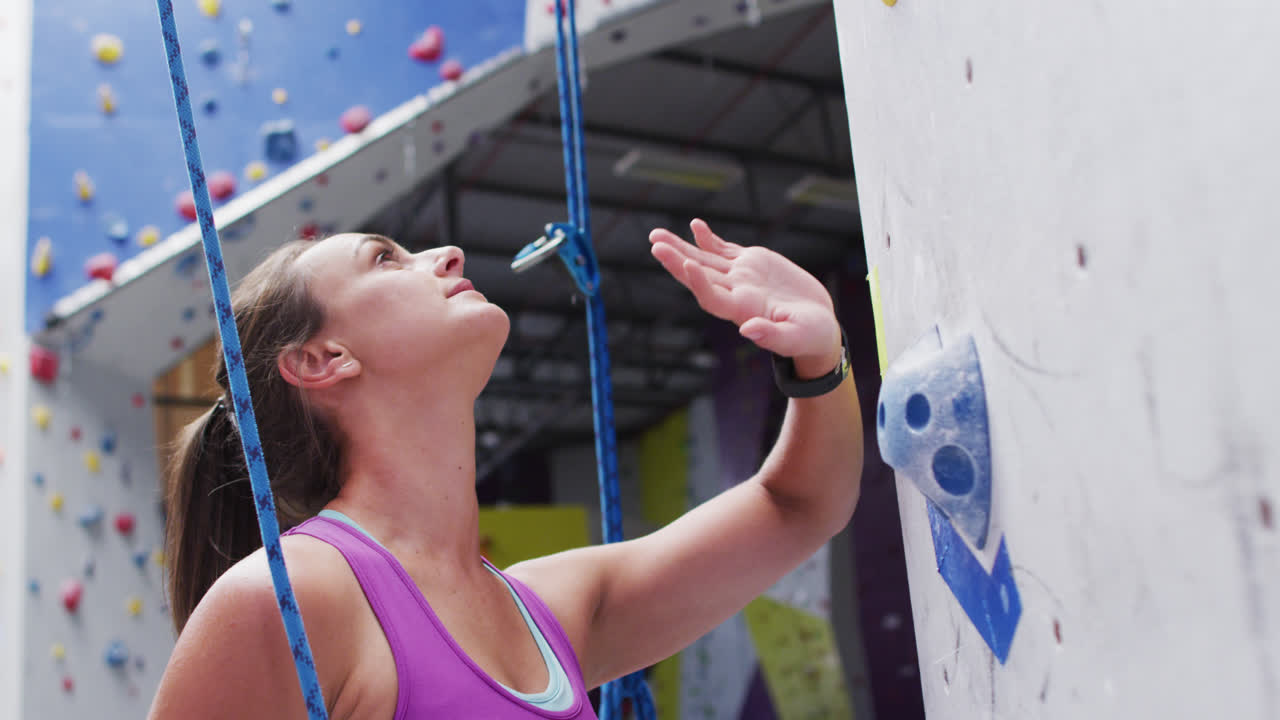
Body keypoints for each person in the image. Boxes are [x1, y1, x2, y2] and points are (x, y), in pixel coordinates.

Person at [147, 219, 863, 719]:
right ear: (320, 360)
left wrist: (818, 356)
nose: (451, 255)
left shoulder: (545, 613)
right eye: (385, 258)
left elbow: (798, 507)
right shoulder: (286, 597)